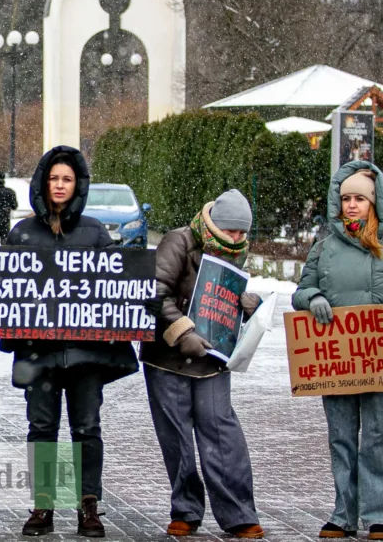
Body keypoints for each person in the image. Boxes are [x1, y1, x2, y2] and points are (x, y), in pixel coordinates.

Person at [0, 145, 138, 538]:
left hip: (87, 352)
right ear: (44, 183)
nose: (59, 185)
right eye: (54, 178)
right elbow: (3, 283)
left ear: (77, 185)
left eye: (67, 179)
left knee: (87, 428)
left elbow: (119, 283)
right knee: (41, 427)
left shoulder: (94, 232)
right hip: (39, 351)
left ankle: (88, 506)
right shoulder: (22, 233)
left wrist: (139, 294)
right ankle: (43, 504)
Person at [293, 161, 383, 541]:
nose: (352, 205)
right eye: (346, 198)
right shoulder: (324, 247)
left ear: (374, 202)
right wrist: (314, 297)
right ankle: (343, 513)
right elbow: (301, 290)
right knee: (341, 437)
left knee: (378, 437)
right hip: (335, 360)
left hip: (382, 358)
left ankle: (379, 514)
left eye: (360, 199)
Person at [140, 189, 265, 539]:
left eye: (243, 233)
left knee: (222, 433)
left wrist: (248, 307)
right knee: (176, 436)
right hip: (167, 358)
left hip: (212, 359)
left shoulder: (234, 252)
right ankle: (185, 510)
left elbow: (220, 301)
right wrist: (182, 332)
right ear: (214, 224)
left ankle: (239, 514)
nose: (237, 238)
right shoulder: (178, 241)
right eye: (232, 231)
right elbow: (155, 291)